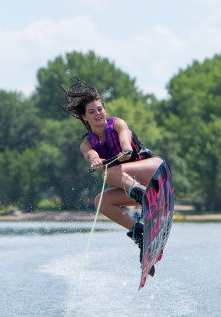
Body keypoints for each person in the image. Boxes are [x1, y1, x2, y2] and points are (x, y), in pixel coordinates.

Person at [61, 78, 163, 252]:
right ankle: (139, 233)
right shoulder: (87, 144)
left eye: (100, 109)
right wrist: (95, 160)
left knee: (108, 174)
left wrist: (125, 150)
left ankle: (145, 196)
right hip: (135, 183)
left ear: (105, 110)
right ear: (85, 117)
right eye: (92, 112)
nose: (98, 113)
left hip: (154, 170)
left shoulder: (117, 124)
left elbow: (125, 139)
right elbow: (90, 154)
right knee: (101, 201)